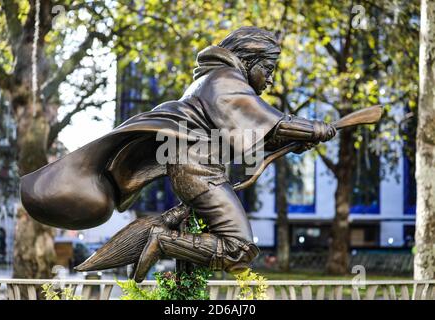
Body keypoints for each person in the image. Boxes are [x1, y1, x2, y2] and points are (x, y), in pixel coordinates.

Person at [20, 27, 336, 282]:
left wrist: (288, 140)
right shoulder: (225, 81)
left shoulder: (213, 82)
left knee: (214, 248)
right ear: (249, 60)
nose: (270, 79)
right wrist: (315, 129)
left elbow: (253, 134)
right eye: (267, 69)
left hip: (198, 171)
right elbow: (271, 120)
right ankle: (161, 240)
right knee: (238, 249)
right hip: (200, 173)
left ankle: (174, 272)